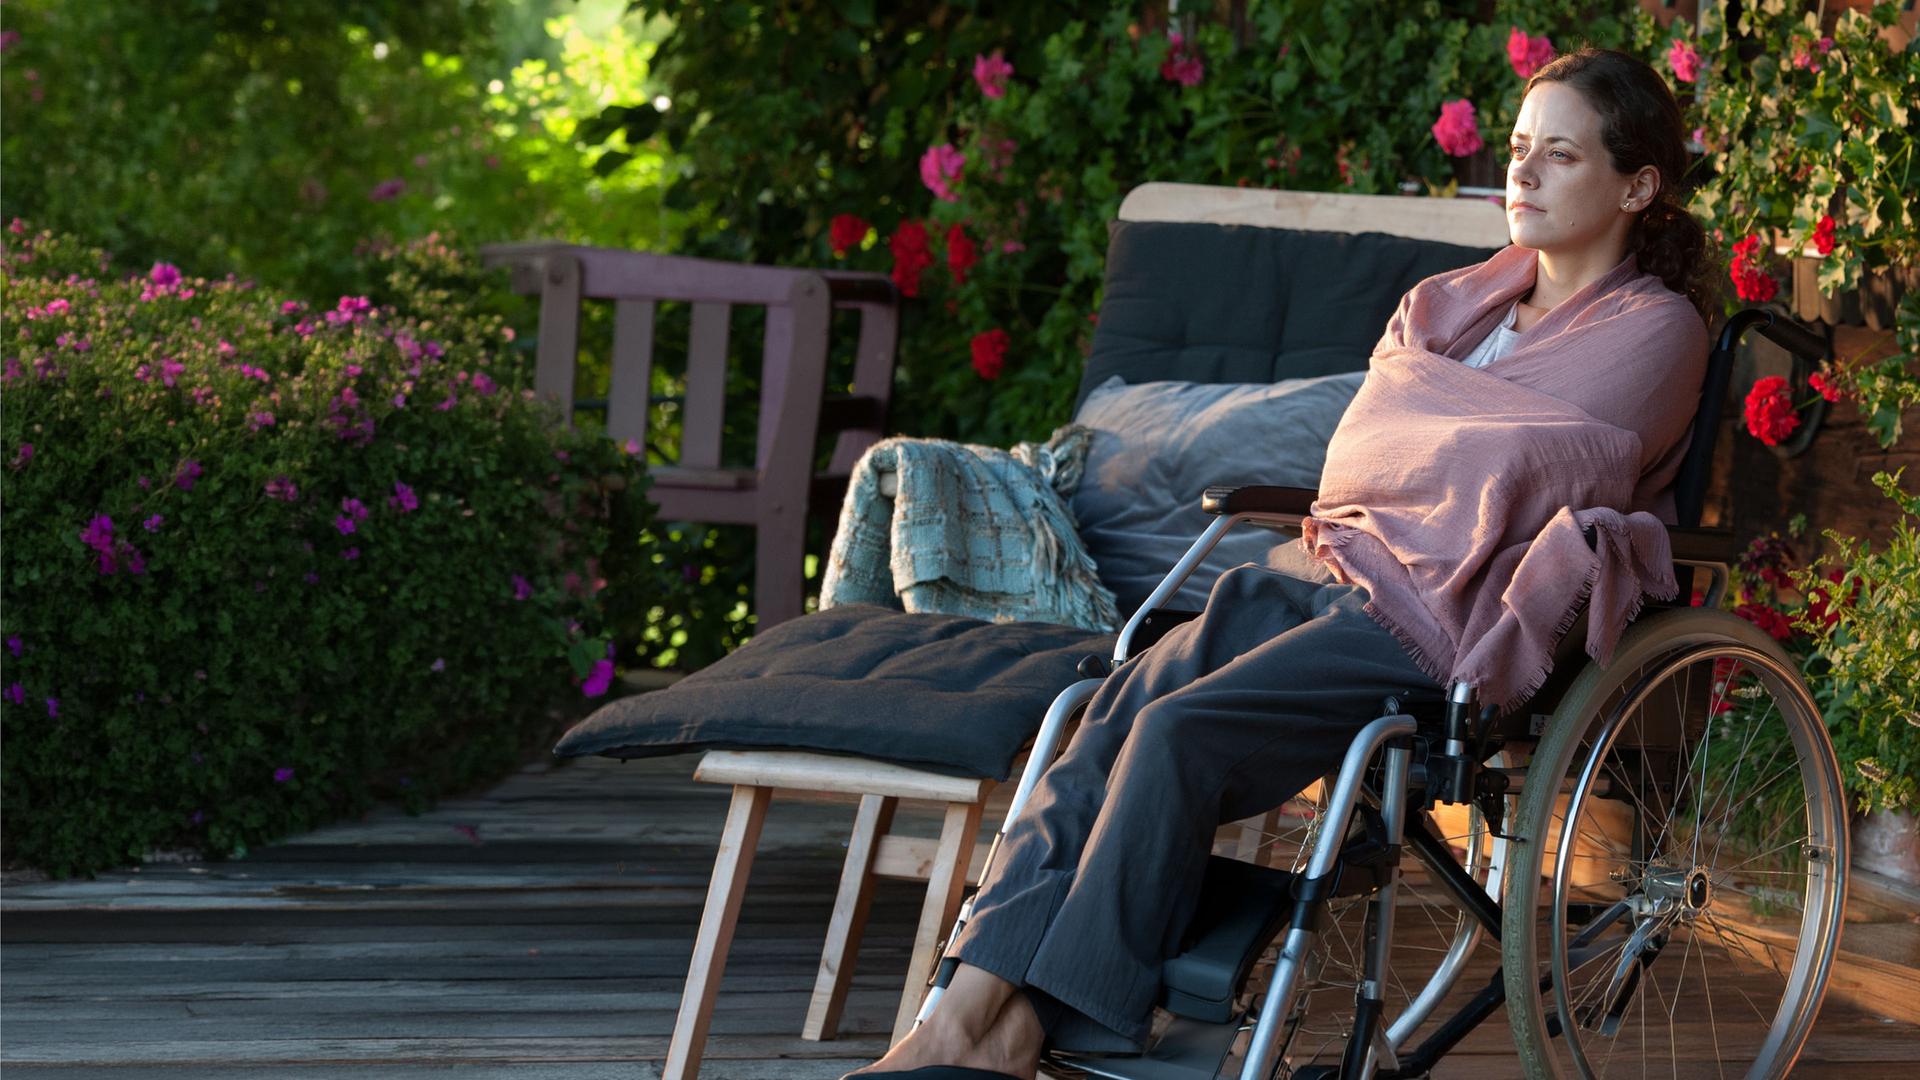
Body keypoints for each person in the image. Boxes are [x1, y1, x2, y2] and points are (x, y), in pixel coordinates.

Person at [844, 46, 1711, 1080]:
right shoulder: (1457, 303)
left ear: (1637, 185)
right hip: (1322, 567)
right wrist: (1417, 449)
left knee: (1174, 734)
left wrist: (1413, 432)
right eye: (1519, 149)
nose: (1521, 173)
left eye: (1559, 155)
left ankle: (1034, 1029)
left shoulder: (1656, 332)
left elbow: (1537, 462)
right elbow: (1382, 450)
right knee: (1099, 719)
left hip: (1435, 620)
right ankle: (957, 1018)